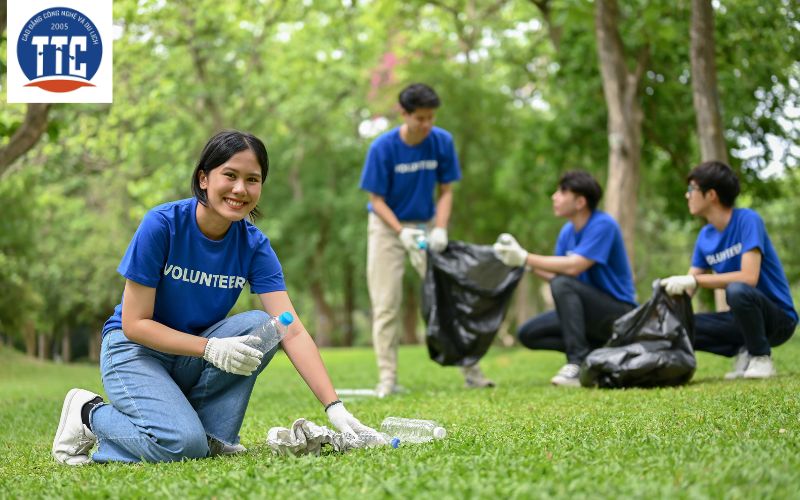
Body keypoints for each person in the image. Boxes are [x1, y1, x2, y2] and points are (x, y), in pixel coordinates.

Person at [51, 130, 382, 465]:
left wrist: (335, 408)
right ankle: (88, 414)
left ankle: (207, 435)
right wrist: (209, 348)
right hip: (135, 351)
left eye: (252, 179)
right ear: (204, 178)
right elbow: (134, 324)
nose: (240, 189)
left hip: (192, 356)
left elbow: (291, 329)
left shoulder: (254, 246)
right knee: (182, 446)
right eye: (230, 175)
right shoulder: (162, 225)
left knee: (262, 326)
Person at [359, 82, 493, 397]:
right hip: (386, 227)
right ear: (404, 114)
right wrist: (401, 231)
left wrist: (440, 229)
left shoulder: (441, 142)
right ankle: (387, 380)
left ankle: (472, 372)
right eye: (420, 118)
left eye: (431, 117)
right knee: (386, 305)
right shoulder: (383, 148)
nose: (427, 124)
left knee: (447, 299)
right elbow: (376, 200)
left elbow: (446, 190)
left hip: (427, 224)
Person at [493, 170, 637, 387]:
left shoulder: (603, 225)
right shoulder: (567, 232)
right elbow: (556, 275)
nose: (554, 196)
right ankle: (596, 355)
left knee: (564, 283)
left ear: (580, 202)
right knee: (529, 333)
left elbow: (573, 267)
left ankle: (577, 363)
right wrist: (521, 263)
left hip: (618, 314)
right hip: (587, 313)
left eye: (562, 191)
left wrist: (525, 256)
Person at [660, 161, 797, 379]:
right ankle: (745, 350)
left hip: (778, 318)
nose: (687, 196)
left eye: (691, 190)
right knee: (678, 323)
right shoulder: (704, 237)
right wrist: (663, 303)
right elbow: (689, 285)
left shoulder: (748, 220)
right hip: (740, 318)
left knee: (737, 290)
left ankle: (760, 356)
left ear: (711, 194)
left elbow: (748, 278)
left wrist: (696, 281)